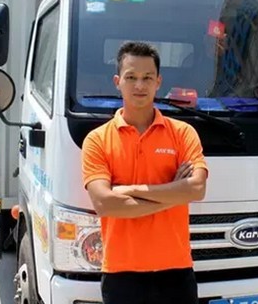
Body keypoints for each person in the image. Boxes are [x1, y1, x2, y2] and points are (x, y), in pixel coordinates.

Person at [81, 41, 209, 304]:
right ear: (117, 81)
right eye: (131, 77)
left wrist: (128, 190)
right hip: (121, 274)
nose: (139, 85)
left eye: (147, 77)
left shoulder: (182, 133)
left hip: (176, 271)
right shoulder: (97, 140)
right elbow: (104, 203)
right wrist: (175, 194)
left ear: (158, 82)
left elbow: (197, 189)